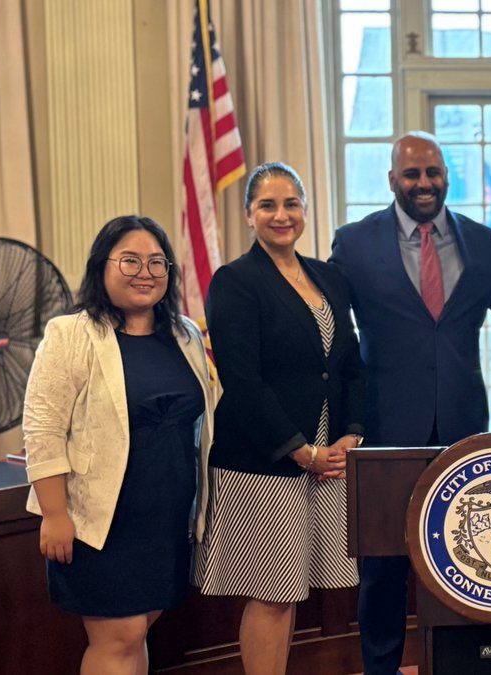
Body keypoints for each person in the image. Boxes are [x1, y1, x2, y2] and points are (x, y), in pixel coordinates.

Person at [330, 131, 491, 675]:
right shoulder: (354, 243)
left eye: (433, 172)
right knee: (383, 569)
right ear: (392, 180)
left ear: (446, 177)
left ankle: (458, 665)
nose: (424, 183)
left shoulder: (481, 241)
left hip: (463, 428)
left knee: (465, 559)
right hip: (383, 432)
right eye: (412, 174)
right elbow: (329, 336)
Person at [193, 162, 364, 675]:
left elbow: (350, 364)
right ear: (249, 214)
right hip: (265, 463)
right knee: (271, 594)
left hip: (328, 457)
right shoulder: (235, 281)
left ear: (306, 211)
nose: (281, 215)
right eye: (267, 205)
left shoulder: (329, 276)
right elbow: (242, 381)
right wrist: (300, 450)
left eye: (291, 203)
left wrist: (352, 434)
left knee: (293, 590)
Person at [23, 215, 214, 674]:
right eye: (129, 260)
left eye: (156, 262)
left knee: (138, 630)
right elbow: (42, 427)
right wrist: (54, 514)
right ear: (101, 267)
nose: (144, 272)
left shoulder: (184, 334)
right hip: (100, 520)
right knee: (119, 635)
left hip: (168, 518)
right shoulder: (72, 334)